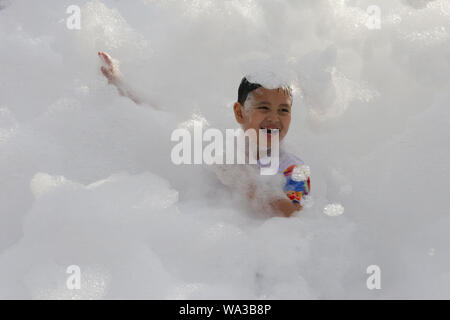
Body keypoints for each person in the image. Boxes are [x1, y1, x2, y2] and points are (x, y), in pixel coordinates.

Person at [98, 51, 310, 217]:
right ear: (239, 113)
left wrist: (244, 181)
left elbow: (295, 217)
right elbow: (167, 121)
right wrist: (120, 84)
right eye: (263, 108)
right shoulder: (223, 144)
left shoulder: (294, 169)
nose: (274, 118)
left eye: (283, 110)